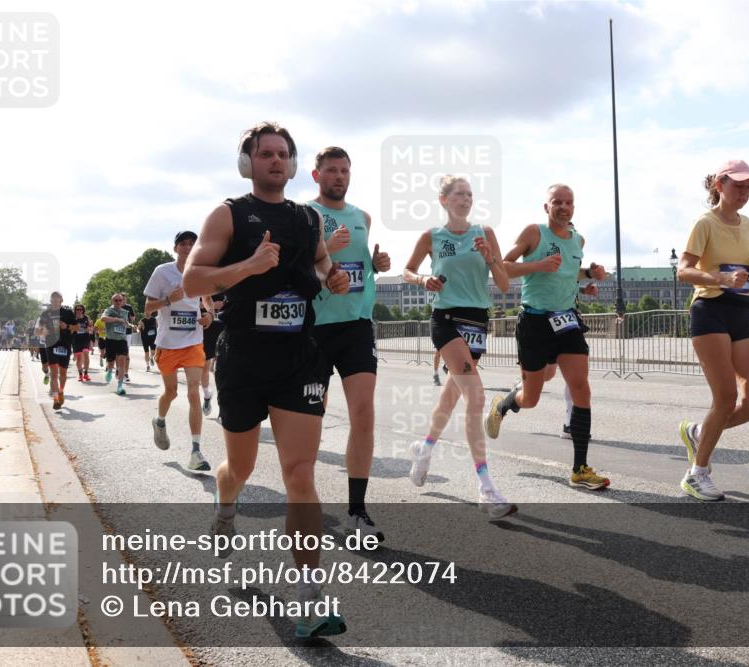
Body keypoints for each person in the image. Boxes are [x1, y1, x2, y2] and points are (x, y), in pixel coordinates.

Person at [182, 121, 350, 638]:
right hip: (243, 358)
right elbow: (193, 278)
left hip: (299, 356)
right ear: (247, 163)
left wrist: (334, 277)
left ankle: (310, 600)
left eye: (283, 154)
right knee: (242, 466)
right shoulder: (228, 214)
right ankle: (225, 505)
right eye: (266, 154)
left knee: (300, 473)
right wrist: (249, 267)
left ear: (294, 165)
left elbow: (321, 265)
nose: (276, 161)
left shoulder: (306, 218)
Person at [403, 175, 516, 518]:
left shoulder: (485, 233)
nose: (466, 199)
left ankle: (424, 448)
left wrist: (491, 258)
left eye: (470, 194)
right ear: (444, 200)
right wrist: (424, 279)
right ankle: (485, 487)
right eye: (459, 194)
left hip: (477, 321)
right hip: (447, 318)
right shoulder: (432, 237)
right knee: (477, 397)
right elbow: (407, 270)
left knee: (452, 395)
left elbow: (505, 283)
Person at [484, 184, 610, 490]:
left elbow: (569, 272)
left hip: (566, 321)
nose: (563, 207)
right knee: (532, 398)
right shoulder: (534, 233)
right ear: (547, 207)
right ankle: (504, 405)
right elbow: (501, 269)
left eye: (569, 203)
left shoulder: (578, 240)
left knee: (581, 387)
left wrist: (589, 278)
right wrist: (537, 265)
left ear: (574, 208)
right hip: (535, 323)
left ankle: (579, 468)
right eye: (557, 202)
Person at [675, 159, 749, 501]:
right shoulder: (704, 223)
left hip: (740, 311)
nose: (744, 193)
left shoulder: (748, 225)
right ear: (720, 185)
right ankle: (696, 474)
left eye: (748, 187)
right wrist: (720, 278)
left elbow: (740, 267)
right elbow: (683, 271)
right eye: (738, 186)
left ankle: (700, 432)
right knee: (726, 397)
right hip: (710, 311)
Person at [308, 146, 390, 540]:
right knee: (311, 419)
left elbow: (361, 263)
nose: (339, 177)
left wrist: (377, 264)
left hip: (356, 325)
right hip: (315, 329)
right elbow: (292, 270)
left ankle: (357, 511)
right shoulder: (305, 216)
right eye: (331, 171)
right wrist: (326, 252)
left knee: (364, 414)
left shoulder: (362, 217)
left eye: (344, 171)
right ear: (316, 175)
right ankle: (304, 500)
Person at [145, 231, 213, 472]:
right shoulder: (162, 272)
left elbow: (207, 299)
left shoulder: (201, 271)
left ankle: (196, 451)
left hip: (193, 341)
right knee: (171, 392)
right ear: (176, 248)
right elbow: (147, 310)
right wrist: (168, 301)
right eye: (183, 243)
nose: (188, 247)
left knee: (193, 392)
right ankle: (159, 420)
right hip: (168, 343)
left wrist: (209, 315)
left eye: (192, 243)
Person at [37, 292, 77, 410]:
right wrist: (46, 331)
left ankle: (61, 392)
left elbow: (76, 328)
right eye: (52, 300)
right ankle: (55, 399)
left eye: (57, 300)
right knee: (54, 373)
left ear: (61, 300)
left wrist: (67, 326)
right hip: (51, 345)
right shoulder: (45, 314)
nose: (54, 302)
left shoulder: (68, 313)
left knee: (63, 373)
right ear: (50, 301)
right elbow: (38, 331)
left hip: (65, 345)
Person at [100, 294, 132, 395]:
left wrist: (130, 325)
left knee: (122, 360)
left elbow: (126, 323)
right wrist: (117, 319)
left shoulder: (125, 312)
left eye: (120, 300)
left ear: (123, 301)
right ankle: (110, 371)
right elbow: (103, 319)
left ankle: (120, 386)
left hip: (122, 340)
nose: (118, 302)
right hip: (111, 339)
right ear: (112, 301)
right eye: (116, 300)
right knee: (111, 361)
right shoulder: (109, 310)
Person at [199, 294, 225, 416]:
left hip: (225, 326)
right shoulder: (202, 278)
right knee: (205, 368)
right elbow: (192, 304)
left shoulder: (230, 278)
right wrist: (213, 306)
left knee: (224, 368)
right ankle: (207, 396)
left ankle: (224, 404)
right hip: (207, 329)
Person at [71, 305, 94, 382]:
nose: (79, 311)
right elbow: (70, 330)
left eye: (80, 309)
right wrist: (74, 328)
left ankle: (86, 374)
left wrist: (89, 329)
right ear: (75, 310)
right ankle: (80, 374)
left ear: (83, 310)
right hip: (76, 340)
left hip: (85, 339)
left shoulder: (86, 318)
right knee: (79, 358)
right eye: (77, 309)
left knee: (86, 355)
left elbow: (91, 329)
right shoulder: (72, 318)